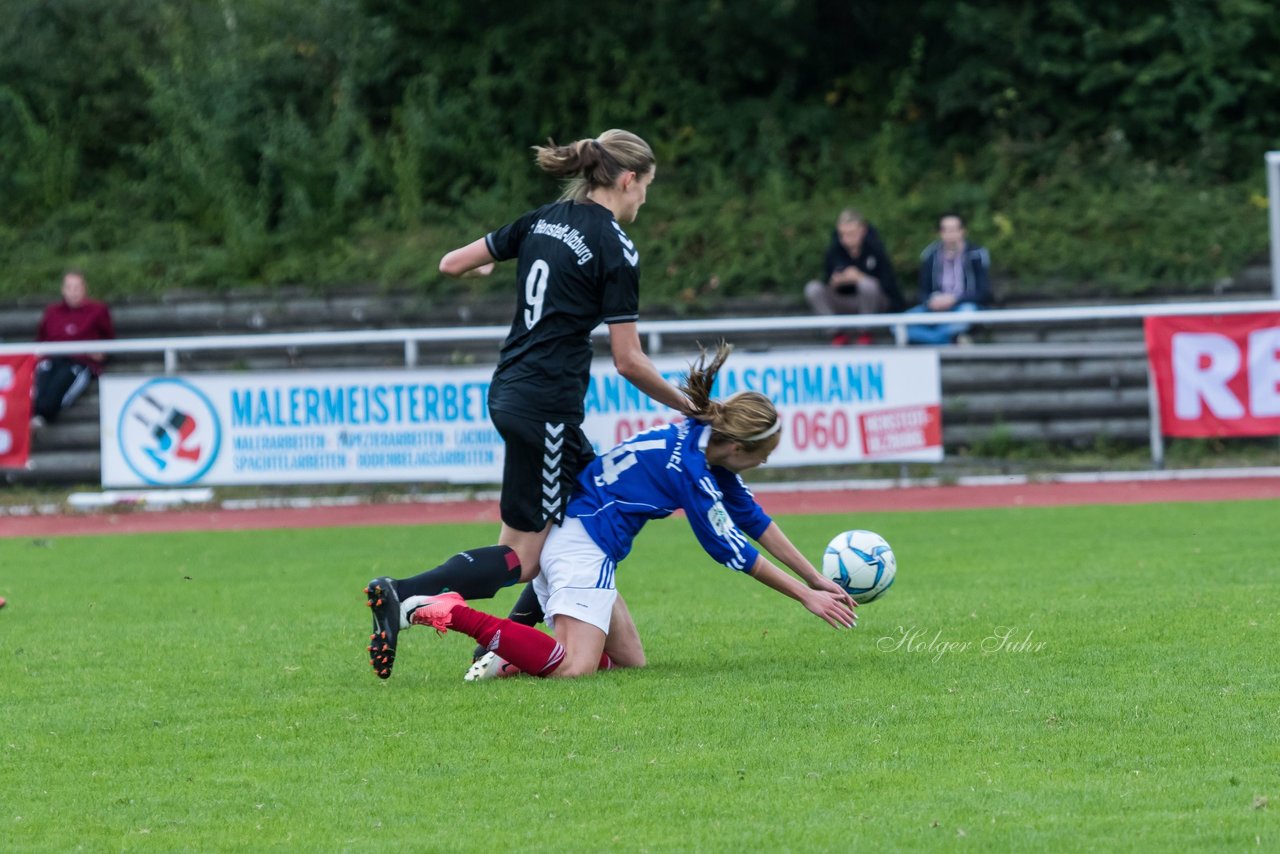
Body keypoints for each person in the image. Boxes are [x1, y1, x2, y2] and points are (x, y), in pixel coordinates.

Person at [364, 129, 693, 679]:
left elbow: (450, 263)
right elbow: (629, 360)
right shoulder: (616, 246)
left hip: (511, 390)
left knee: (590, 499)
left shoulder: (544, 219)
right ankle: (402, 594)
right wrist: (692, 406)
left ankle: (501, 645)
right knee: (522, 557)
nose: (643, 201)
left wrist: (487, 263)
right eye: (646, 189)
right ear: (629, 179)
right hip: (547, 405)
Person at [369, 343, 857, 681]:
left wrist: (815, 577)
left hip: (576, 536)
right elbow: (734, 553)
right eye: (762, 454)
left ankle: (508, 656)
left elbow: (753, 519)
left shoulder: (696, 438)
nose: (764, 462)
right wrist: (803, 597)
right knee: (574, 668)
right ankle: (453, 614)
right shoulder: (692, 470)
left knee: (629, 663)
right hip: (582, 547)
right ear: (734, 446)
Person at [803, 209, 906, 346]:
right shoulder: (834, 250)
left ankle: (865, 331)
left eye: (851, 234)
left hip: (874, 303)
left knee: (867, 285)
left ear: (862, 230)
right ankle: (836, 332)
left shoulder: (876, 248)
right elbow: (826, 279)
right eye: (842, 234)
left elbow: (889, 284)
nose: (846, 239)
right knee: (813, 288)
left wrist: (860, 277)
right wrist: (836, 281)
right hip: (843, 300)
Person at [31, 270, 115, 429]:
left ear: (84, 289)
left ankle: (41, 416)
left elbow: (108, 339)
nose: (73, 292)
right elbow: (41, 339)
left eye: (77, 287)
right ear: (63, 290)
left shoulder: (97, 311)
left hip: (80, 362)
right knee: (42, 377)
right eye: (69, 287)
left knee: (62, 380)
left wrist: (102, 353)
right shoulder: (52, 312)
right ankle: (34, 417)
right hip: (52, 360)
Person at [905, 213, 992, 346]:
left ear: (962, 231)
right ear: (940, 233)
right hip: (935, 308)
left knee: (967, 312)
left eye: (953, 229)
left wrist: (955, 299)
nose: (949, 234)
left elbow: (984, 292)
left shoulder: (976, 254)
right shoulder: (929, 255)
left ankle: (935, 338)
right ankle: (949, 339)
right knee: (899, 323)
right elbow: (922, 291)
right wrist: (932, 300)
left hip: (963, 305)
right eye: (945, 230)